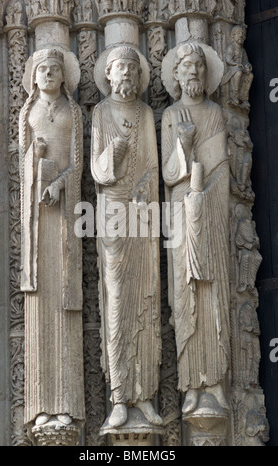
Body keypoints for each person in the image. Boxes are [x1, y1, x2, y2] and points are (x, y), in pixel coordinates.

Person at [91, 46, 162, 429]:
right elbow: (98, 173)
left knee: (146, 304)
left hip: (143, 212)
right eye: (121, 69)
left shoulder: (147, 114)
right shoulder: (101, 114)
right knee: (117, 304)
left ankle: (146, 396)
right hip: (112, 216)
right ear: (109, 75)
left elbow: (152, 166)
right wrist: (114, 154)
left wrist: (145, 191)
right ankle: (120, 398)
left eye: (133, 70)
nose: (128, 76)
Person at [162, 41, 230, 415]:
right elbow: (169, 174)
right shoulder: (171, 115)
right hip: (180, 215)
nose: (193, 74)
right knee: (185, 298)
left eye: (199, 68)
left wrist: (204, 197)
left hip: (211, 213)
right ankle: (191, 385)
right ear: (175, 75)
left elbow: (221, 169)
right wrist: (184, 147)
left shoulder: (216, 114)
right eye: (186, 67)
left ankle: (216, 383)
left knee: (213, 297)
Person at [19, 48, 84, 441]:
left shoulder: (73, 113)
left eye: (54, 69)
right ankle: (41, 407)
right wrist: (34, 159)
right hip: (36, 230)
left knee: (65, 306)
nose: (48, 74)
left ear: (64, 77)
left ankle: (69, 406)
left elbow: (77, 164)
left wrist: (60, 183)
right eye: (42, 68)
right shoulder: (28, 113)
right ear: (34, 76)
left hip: (65, 223)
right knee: (40, 307)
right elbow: (22, 163)